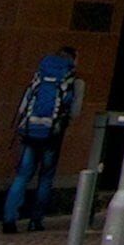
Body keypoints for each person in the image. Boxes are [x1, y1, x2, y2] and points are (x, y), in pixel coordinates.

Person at [9, 50, 82, 231]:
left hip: (30, 132)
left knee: (22, 176)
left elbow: (22, 109)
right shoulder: (73, 82)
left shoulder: (39, 77)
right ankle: (36, 220)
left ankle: (9, 219)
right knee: (46, 177)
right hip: (52, 135)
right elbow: (75, 112)